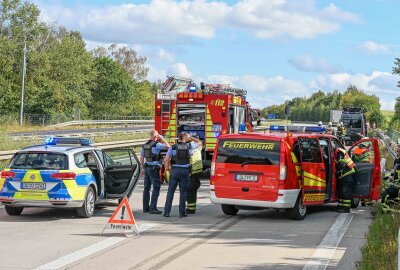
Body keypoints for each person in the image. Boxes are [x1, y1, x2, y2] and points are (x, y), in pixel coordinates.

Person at [163, 132, 202, 217]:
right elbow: (199, 142)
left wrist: (167, 170)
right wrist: (191, 137)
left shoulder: (172, 147)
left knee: (170, 192)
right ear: (185, 138)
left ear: (178, 138)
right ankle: (182, 213)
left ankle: (166, 212)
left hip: (175, 171)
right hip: (185, 172)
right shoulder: (189, 146)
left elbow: (166, 160)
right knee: (183, 192)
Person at [140, 130, 170, 214]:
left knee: (146, 188)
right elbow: (168, 147)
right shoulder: (156, 144)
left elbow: (141, 158)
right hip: (154, 169)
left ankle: (145, 208)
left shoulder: (144, 145)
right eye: (157, 136)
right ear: (156, 137)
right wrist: (163, 138)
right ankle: (153, 208)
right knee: (156, 188)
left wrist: (142, 169)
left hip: (147, 168)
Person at [335, 146, 357, 213]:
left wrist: (336, 168)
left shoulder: (340, 152)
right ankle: (341, 206)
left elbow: (341, 164)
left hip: (347, 174)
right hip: (344, 175)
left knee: (345, 192)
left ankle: (346, 208)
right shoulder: (339, 152)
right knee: (341, 191)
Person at [186, 141, 203, 214]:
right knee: (193, 190)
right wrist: (191, 137)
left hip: (191, 173)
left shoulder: (190, 152)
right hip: (197, 173)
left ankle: (190, 209)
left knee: (190, 191)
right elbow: (200, 143)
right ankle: (192, 207)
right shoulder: (198, 149)